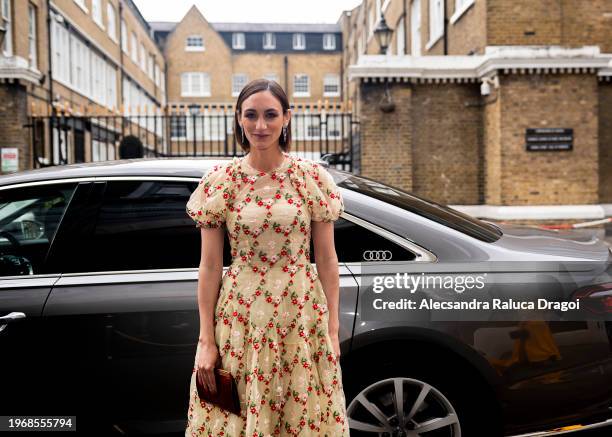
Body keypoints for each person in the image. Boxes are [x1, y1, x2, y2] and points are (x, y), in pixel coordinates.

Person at [184, 78, 350, 436]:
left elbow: (327, 259)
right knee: (241, 412)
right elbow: (211, 265)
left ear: (287, 117)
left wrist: (333, 329)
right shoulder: (221, 182)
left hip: (301, 316)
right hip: (241, 320)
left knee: (300, 416)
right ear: (239, 119)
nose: (260, 125)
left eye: (270, 115)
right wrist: (206, 340)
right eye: (252, 115)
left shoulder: (310, 178)